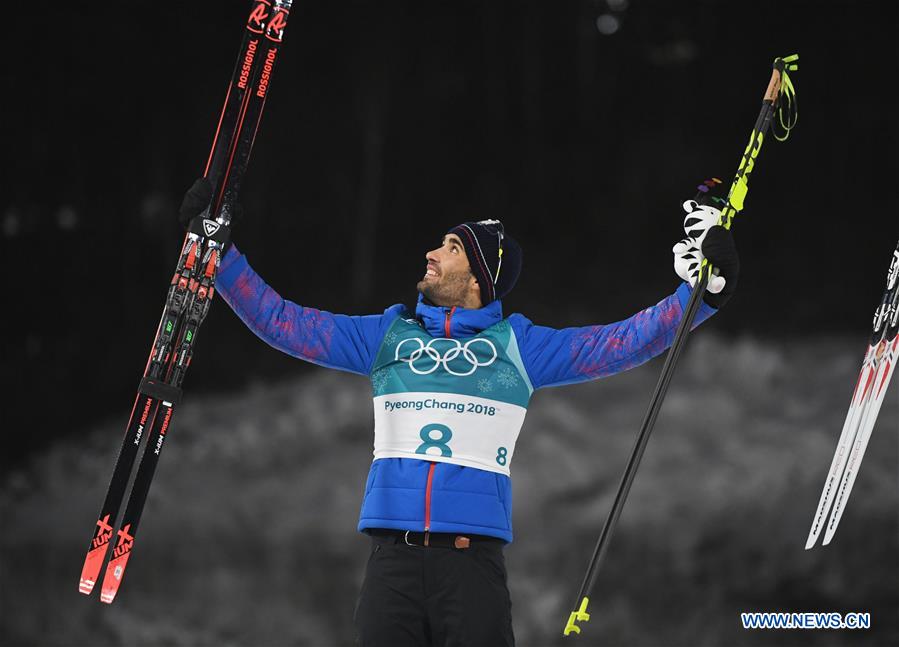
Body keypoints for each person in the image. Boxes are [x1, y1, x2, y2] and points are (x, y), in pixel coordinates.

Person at [179, 177, 739, 647]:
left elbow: (622, 342)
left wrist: (702, 296)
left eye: (449, 247)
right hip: (390, 566)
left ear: (476, 277)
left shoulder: (518, 348)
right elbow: (284, 323)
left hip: (471, 570)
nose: (431, 252)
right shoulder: (388, 337)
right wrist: (220, 256)